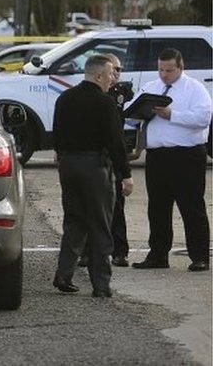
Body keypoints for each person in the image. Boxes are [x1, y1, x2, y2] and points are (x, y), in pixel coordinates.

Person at [52, 54, 134, 298]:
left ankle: (64, 274)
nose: (113, 79)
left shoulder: (64, 98)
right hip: (94, 167)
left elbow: (56, 132)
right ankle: (101, 285)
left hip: (68, 165)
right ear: (99, 75)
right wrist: (125, 175)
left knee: (74, 220)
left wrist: (63, 156)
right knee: (100, 224)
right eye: (110, 74)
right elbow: (115, 142)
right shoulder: (105, 102)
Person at [131, 48, 211, 272]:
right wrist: (139, 113)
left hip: (186, 156)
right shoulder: (151, 87)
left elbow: (203, 118)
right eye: (160, 70)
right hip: (157, 156)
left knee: (191, 206)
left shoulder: (195, 88)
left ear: (180, 67)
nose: (164, 75)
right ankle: (157, 255)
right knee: (157, 207)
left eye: (169, 70)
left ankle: (200, 257)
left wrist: (172, 115)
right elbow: (132, 113)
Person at [78, 52, 133, 267]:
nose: (117, 74)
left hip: (115, 155)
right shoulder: (93, 93)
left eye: (119, 70)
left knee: (116, 206)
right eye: (113, 70)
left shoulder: (123, 93)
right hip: (95, 156)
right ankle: (87, 251)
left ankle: (120, 251)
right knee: (89, 207)